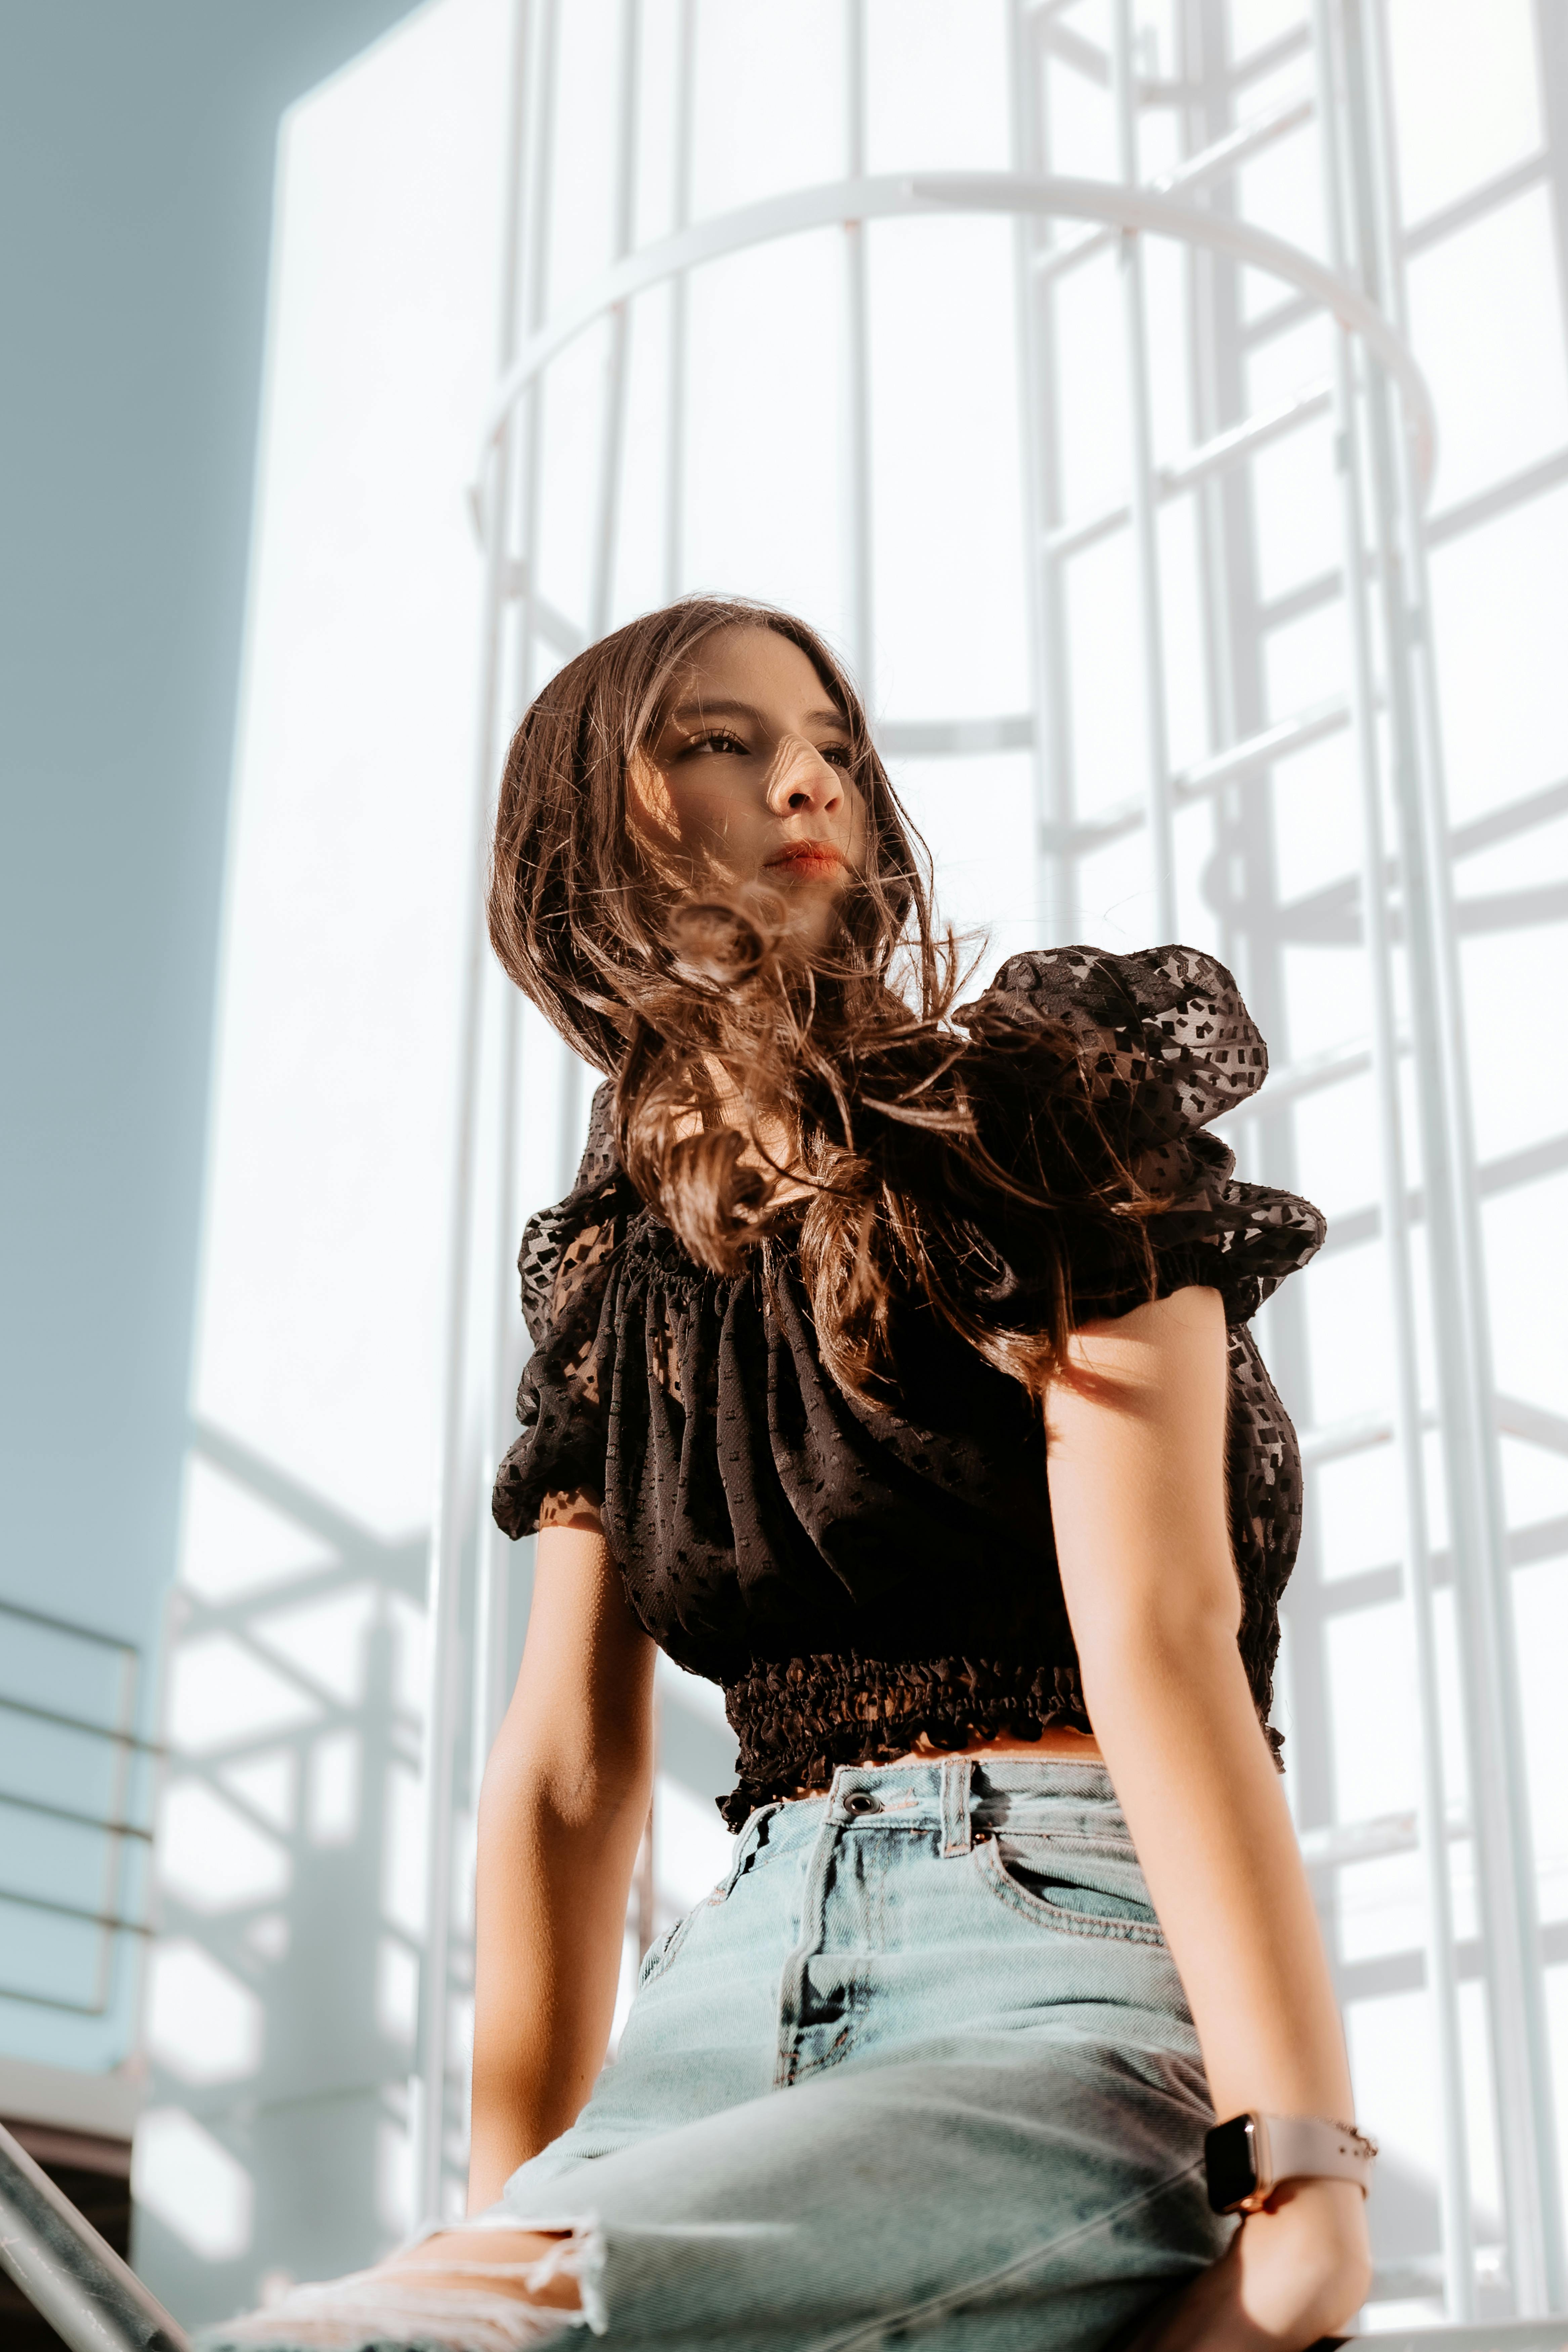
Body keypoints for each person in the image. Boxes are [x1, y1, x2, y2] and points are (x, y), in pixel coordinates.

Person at [211, 597, 1374, 2352]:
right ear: (588, 832)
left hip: (1048, 1955)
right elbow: (566, 1771)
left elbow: (1165, 1619)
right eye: (723, 739)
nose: (809, 774)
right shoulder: (619, 1271)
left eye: (831, 740)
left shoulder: (1041, 1096)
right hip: (712, 1996)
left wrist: (1298, 2181)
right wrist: (503, 2210)